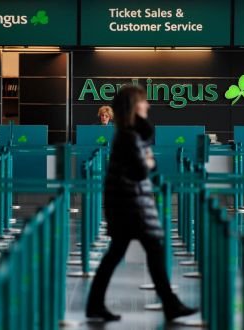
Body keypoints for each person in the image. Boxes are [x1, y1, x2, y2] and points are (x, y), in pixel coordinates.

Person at [86, 86, 197, 322]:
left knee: (123, 253)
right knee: (148, 252)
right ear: (134, 106)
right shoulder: (129, 136)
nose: (147, 106)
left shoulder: (131, 134)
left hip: (130, 204)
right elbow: (141, 169)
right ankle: (170, 304)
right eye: (143, 102)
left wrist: (147, 161)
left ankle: (97, 304)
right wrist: (147, 161)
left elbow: (147, 165)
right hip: (131, 206)